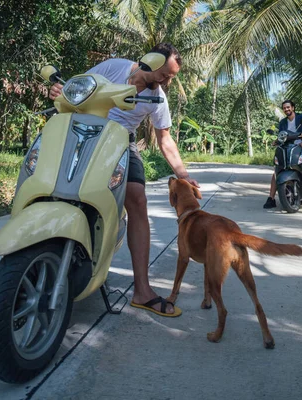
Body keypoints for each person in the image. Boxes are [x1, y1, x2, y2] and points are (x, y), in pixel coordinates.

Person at [49, 43, 198, 317]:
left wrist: (184, 175)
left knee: (138, 200)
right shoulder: (114, 67)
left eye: (171, 77)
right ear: (150, 63)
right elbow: (77, 88)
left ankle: (142, 290)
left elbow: (165, 140)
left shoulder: (158, 98)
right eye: (165, 74)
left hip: (121, 141)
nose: (166, 81)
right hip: (86, 130)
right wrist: (59, 90)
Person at [263, 99, 302, 209]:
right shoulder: (282, 122)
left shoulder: (301, 117)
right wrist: (276, 141)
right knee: (277, 169)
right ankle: (271, 198)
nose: (286, 109)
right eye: (284, 108)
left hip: (299, 142)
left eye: (288, 107)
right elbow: (281, 135)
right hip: (286, 145)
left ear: (293, 108)